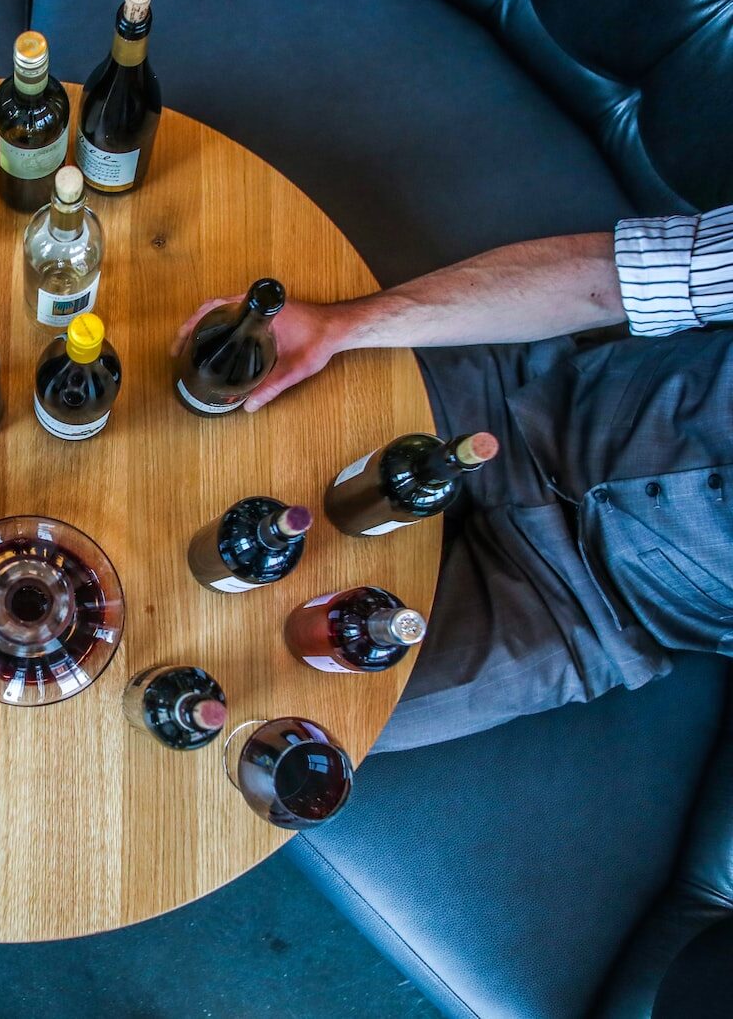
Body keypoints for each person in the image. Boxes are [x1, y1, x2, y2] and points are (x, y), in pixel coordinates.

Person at [177, 205, 733, 751]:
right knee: (229, 442)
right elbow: (614, 277)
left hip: (588, 611)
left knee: (283, 719)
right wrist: (338, 327)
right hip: (528, 402)